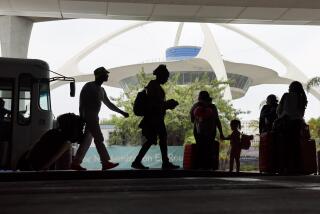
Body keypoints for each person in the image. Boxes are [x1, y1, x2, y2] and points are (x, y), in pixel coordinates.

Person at [71, 67, 129, 171]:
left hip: (93, 117)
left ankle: (76, 162)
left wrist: (121, 112)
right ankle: (105, 162)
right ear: (99, 75)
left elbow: (109, 104)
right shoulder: (89, 86)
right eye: (105, 74)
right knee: (99, 139)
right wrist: (82, 117)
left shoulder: (101, 90)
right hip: (90, 116)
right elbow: (82, 103)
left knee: (87, 141)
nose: (107, 76)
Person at [131, 64, 179, 170]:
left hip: (155, 118)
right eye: (166, 77)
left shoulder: (154, 86)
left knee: (153, 139)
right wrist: (168, 104)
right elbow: (154, 104)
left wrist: (167, 104)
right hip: (154, 118)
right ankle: (164, 163)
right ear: (161, 76)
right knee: (160, 138)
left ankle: (138, 161)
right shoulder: (153, 86)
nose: (167, 79)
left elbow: (156, 103)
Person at [17, 113, 84, 171]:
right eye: (80, 129)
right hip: (34, 170)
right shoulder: (66, 143)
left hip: (25, 165)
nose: (81, 132)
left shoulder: (51, 132)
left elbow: (32, 150)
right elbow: (48, 163)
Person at [275, 81, 308, 174]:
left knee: (285, 146)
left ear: (292, 87)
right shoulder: (302, 98)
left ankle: (285, 168)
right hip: (298, 123)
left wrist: (280, 117)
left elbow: (280, 110)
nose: (288, 88)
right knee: (296, 145)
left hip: (287, 122)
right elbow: (301, 113)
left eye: (289, 86)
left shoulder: (286, 95)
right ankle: (297, 168)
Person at [190, 90, 224, 169]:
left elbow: (192, 119)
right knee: (209, 149)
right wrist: (221, 132)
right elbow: (217, 120)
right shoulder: (212, 107)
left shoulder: (195, 106)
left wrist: (199, 118)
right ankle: (208, 167)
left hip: (198, 131)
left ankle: (199, 166)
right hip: (211, 131)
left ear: (199, 97)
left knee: (200, 148)